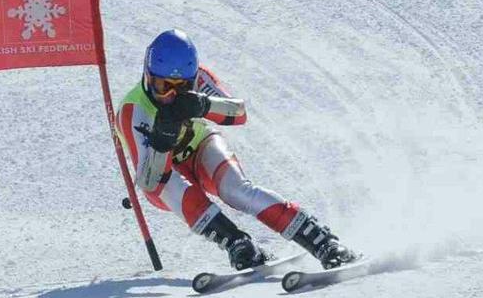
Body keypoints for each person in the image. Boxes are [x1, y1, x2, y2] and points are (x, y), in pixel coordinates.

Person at [116, 29, 358, 271]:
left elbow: (239, 113)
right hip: (164, 171)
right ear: (147, 77)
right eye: (162, 86)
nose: (171, 96)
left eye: (181, 88)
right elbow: (150, 183)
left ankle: (322, 241)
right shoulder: (133, 110)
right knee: (171, 187)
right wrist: (161, 142)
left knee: (236, 189)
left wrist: (203, 104)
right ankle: (237, 243)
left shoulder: (200, 79)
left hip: (200, 147)